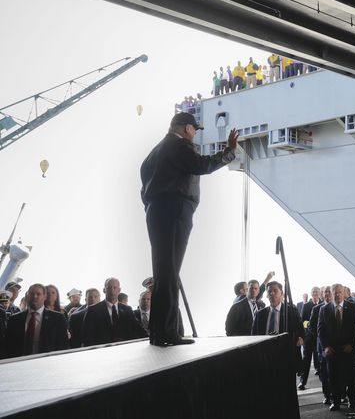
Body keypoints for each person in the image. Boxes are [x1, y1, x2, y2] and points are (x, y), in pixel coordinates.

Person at [140, 111, 239, 346]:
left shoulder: (152, 154)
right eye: (194, 129)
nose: (194, 134)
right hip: (175, 210)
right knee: (170, 272)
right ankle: (168, 333)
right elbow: (202, 165)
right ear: (186, 128)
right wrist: (229, 152)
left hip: (155, 212)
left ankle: (158, 333)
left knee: (163, 271)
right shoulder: (180, 146)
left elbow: (143, 187)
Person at [252, 281, 305, 381]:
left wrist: (300, 339)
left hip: (286, 357)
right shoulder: (260, 314)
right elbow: (254, 336)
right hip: (266, 357)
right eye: (269, 292)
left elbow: (300, 330)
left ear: (282, 294)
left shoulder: (291, 311)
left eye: (275, 291)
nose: (272, 293)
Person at [318, 283, 355, 411]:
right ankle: (335, 402)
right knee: (333, 377)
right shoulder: (324, 309)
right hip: (332, 350)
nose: (337, 294)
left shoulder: (353, 307)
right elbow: (321, 330)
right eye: (334, 292)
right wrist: (325, 347)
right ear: (330, 293)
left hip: (348, 349)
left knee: (352, 377)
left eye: (339, 292)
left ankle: (352, 401)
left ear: (344, 293)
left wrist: (352, 345)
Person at [2, 284, 69, 359]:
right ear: (27, 297)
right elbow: (8, 346)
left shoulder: (58, 318)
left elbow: (63, 346)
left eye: (38, 294)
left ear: (45, 297)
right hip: (19, 365)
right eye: (32, 294)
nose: (35, 296)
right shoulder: (14, 319)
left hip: (47, 364)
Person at [81, 278, 147, 346]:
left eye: (115, 288)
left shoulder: (127, 309)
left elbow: (139, 329)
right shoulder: (93, 310)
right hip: (102, 351)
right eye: (109, 288)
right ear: (104, 290)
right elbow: (87, 337)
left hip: (126, 350)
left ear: (119, 290)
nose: (112, 290)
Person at [298, 286, 321, 390]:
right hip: (309, 336)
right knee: (306, 359)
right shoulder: (307, 305)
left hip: (320, 337)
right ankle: (303, 381)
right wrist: (309, 325)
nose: (315, 294)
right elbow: (302, 321)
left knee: (320, 359)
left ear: (320, 294)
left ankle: (324, 384)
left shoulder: (322, 304)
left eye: (317, 292)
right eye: (313, 293)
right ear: (311, 294)